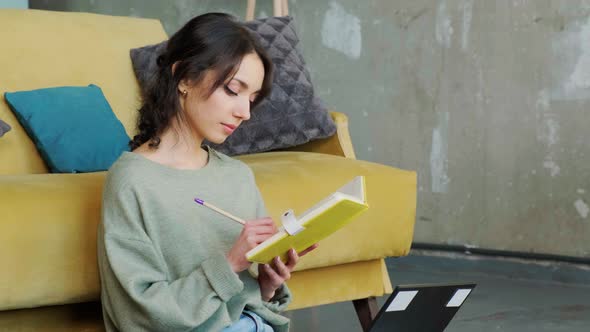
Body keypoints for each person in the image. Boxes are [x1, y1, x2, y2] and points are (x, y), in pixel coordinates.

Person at [97, 13, 317, 332]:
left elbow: (246, 304)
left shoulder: (238, 177)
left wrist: (267, 285)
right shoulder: (132, 182)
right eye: (232, 90)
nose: (244, 112)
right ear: (184, 78)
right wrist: (229, 265)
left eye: (252, 99)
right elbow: (136, 314)